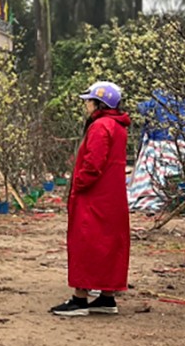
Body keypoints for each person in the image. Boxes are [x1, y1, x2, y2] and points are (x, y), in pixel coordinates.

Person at [51, 80, 131, 317]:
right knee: (108, 245)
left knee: (85, 244)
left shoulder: (101, 127)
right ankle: (106, 297)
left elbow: (92, 165)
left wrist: (78, 186)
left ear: (100, 103)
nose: (86, 105)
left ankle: (80, 299)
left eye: (89, 101)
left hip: (94, 197)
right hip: (112, 196)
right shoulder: (118, 127)